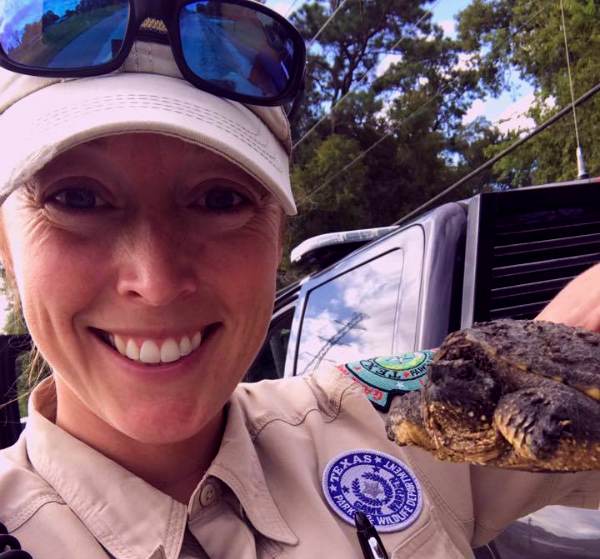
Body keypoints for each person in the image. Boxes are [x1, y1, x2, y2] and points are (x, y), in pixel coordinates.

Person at [0, 3, 598, 559]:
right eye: (76, 198)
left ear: (277, 238)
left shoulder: (388, 423)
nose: (154, 282)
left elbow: (543, 359)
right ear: (6, 248)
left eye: (220, 198)